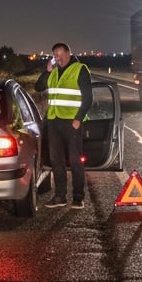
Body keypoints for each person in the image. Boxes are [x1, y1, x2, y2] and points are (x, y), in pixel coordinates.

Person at [35, 42, 92, 208]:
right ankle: (60, 196)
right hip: (54, 121)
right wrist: (47, 71)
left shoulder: (80, 69)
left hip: (72, 122)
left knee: (75, 161)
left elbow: (88, 98)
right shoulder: (52, 72)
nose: (58, 58)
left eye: (61, 54)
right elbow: (38, 87)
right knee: (56, 160)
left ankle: (78, 197)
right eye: (55, 55)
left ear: (68, 53)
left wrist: (78, 119)